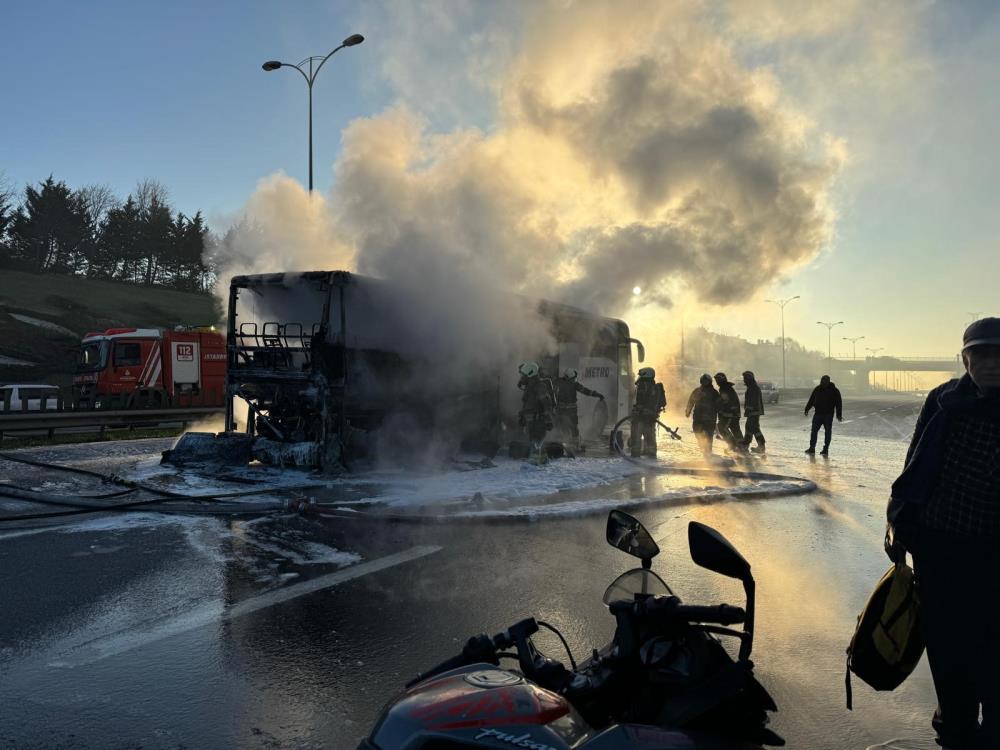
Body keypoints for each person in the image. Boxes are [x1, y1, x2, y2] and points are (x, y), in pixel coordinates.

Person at [887, 318, 1000, 749]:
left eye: (999, 354)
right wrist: (902, 519)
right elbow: (916, 462)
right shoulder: (943, 400)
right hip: (942, 550)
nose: (991, 363)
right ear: (965, 359)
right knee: (949, 649)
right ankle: (954, 727)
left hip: (996, 553)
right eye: (981, 354)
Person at [552, 368, 604, 450]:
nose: (574, 379)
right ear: (570, 377)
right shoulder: (574, 384)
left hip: (560, 410)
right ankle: (575, 445)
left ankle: (559, 443)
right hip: (571, 411)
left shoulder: (558, 382)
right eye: (573, 378)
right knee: (573, 428)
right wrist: (597, 395)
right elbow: (586, 391)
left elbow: (552, 391)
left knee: (560, 426)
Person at [517, 361, 554, 452]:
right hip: (530, 422)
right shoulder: (529, 386)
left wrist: (548, 420)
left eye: (524, 375)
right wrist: (522, 417)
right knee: (532, 446)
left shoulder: (539, 386)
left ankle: (538, 461)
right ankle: (534, 461)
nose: (522, 378)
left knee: (536, 446)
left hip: (538, 423)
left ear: (530, 374)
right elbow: (527, 405)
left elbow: (546, 404)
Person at [631, 367, 666, 458]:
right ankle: (651, 454)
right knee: (650, 436)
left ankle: (635, 454)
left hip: (641, 416)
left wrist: (639, 409)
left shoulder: (643, 385)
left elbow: (639, 401)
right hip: (650, 417)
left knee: (636, 435)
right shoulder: (653, 386)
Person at [804, 375, 842, 455]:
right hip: (818, 414)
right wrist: (807, 408)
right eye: (822, 380)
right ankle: (812, 448)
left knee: (828, 432)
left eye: (825, 381)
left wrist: (839, 414)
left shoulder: (834, 391)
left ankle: (826, 449)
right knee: (814, 431)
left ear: (828, 381)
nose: (823, 382)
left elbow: (838, 403)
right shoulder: (817, 389)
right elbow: (811, 399)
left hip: (828, 415)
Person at [685, 373, 721, 456]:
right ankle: (702, 445)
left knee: (709, 435)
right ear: (701, 381)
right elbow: (691, 401)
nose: (705, 382)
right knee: (697, 431)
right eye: (704, 381)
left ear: (710, 381)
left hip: (710, 418)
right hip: (698, 417)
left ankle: (708, 451)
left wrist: (721, 414)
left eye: (706, 381)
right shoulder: (697, 391)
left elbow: (719, 404)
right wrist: (688, 411)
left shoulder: (714, 392)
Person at [714, 372, 746, 453]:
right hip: (734, 413)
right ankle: (742, 446)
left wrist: (719, 407)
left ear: (722, 380)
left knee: (722, 427)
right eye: (716, 379)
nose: (717, 381)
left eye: (718, 379)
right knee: (735, 429)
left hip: (730, 414)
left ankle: (733, 444)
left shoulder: (725, 388)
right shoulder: (726, 387)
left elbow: (726, 401)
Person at [741, 370, 766, 454]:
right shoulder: (752, 387)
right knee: (750, 427)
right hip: (753, 412)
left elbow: (752, 401)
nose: (744, 380)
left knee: (754, 428)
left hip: (753, 412)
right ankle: (746, 445)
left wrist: (748, 409)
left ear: (748, 379)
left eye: (745, 378)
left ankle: (761, 446)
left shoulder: (753, 388)